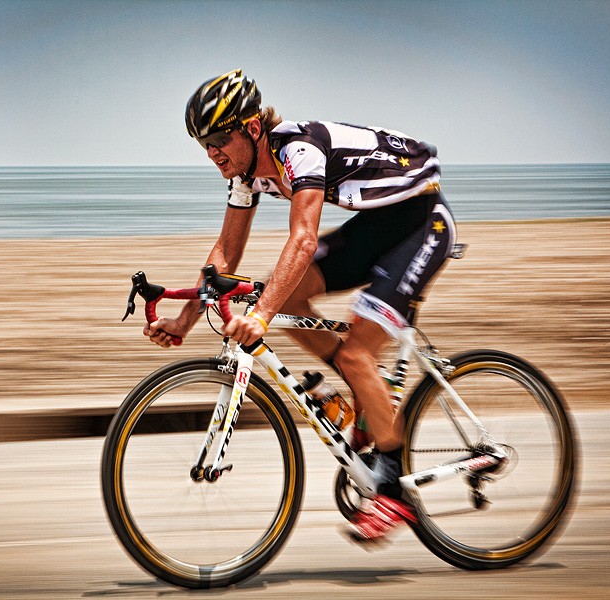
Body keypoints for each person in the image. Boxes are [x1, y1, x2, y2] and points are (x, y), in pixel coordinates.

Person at [144, 69, 456, 545]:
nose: (212, 154)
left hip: (421, 224)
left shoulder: (298, 150)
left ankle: (394, 492)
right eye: (204, 145)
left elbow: (304, 239)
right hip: (377, 226)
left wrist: (260, 316)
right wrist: (185, 321)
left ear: (252, 128)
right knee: (284, 293)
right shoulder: (246, 176)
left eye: (219, 140)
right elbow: (225, 252)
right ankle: (363, 391)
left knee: (352, 350)